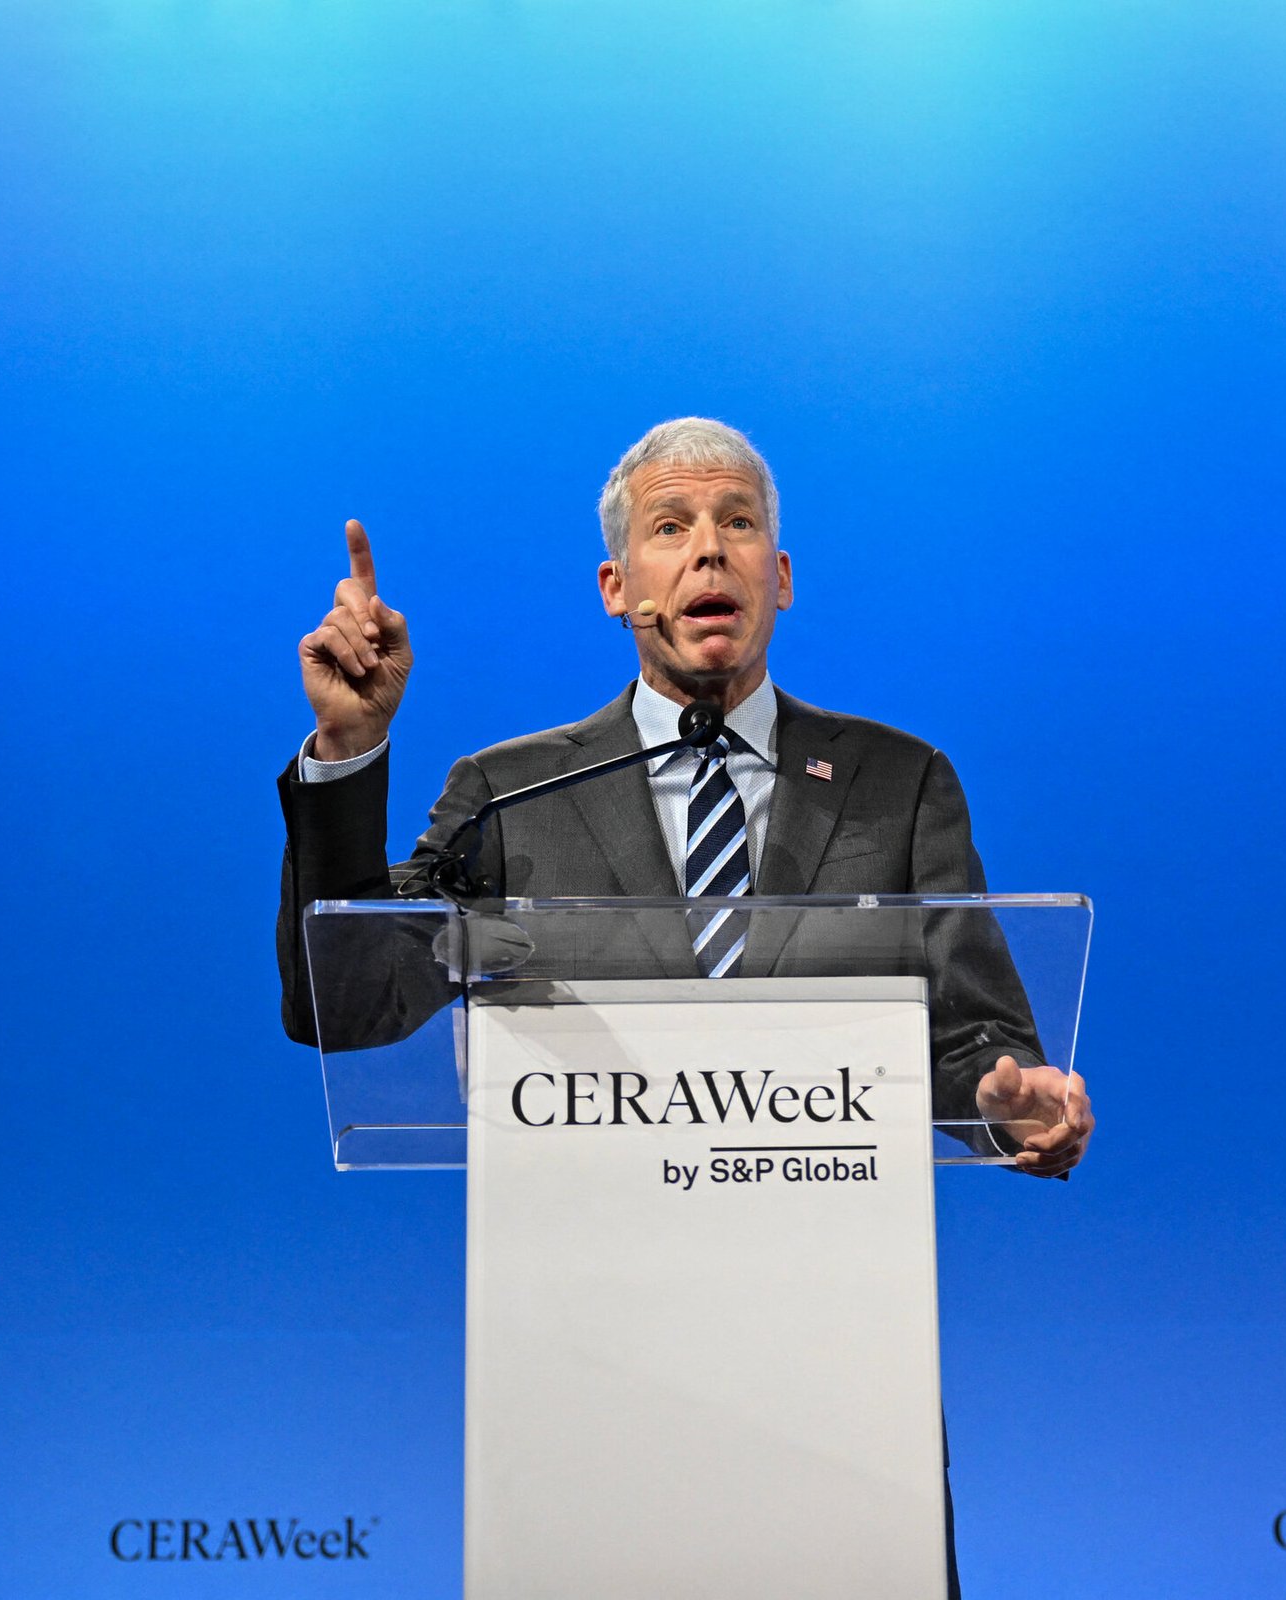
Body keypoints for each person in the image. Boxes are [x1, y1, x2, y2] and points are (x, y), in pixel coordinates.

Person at [276, 417, 1094, 1595]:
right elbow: (345, 1001)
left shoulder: (897, 781)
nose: (709, 550)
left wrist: (1010, 1102)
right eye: (671, 527)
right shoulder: (508, 795)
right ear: (618, 588)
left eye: (737, 523)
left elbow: (977, 1035)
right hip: (590, 1376)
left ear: (780, 576)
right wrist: (350, 750)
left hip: (841, 1376)